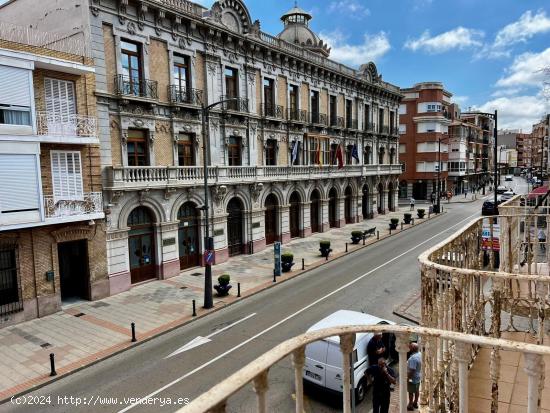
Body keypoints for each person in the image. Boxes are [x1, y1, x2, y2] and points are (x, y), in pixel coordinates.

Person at [407, 342, 422, 411]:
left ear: (412, 349)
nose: (409, 347)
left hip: (412, 378)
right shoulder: (419, 354)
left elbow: (412, 370)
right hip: (418, 376)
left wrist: (408, 378)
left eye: (410, 347)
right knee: (416, 390)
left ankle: (410, 404)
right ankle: (415, 403)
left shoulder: (413, 358)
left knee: (411, 391)